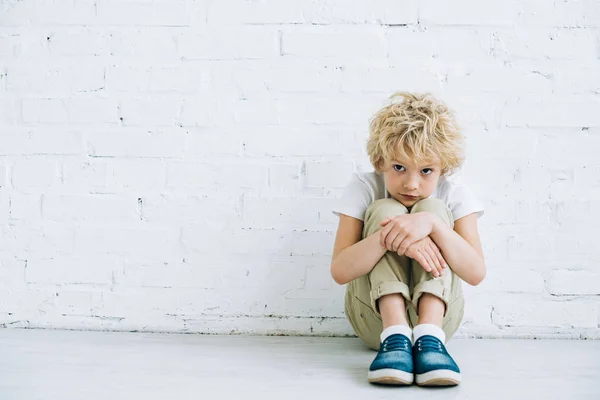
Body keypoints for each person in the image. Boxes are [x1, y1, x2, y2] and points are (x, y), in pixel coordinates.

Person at [330, 91, 486, 387]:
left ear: (443, 168)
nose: (411, 184)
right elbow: (340, 271)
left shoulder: (453, 193)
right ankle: (396, 333)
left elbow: (476, 273)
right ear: (380, 161)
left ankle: (427, 335)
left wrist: (432, 225)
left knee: (433, 210)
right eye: (399, 167)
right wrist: (392, 235)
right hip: (374, 324)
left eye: (426, 170)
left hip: (440, 326)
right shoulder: (364, 187)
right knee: (385, 209)